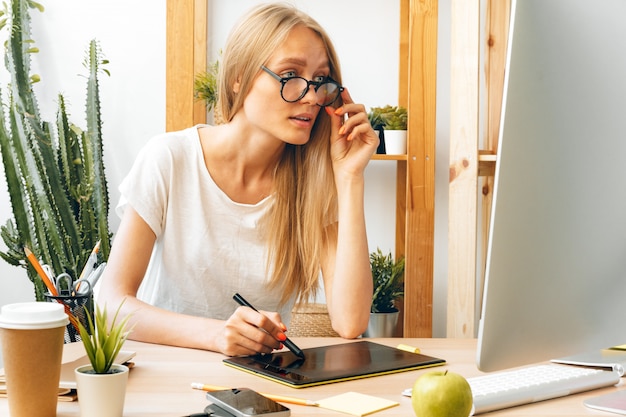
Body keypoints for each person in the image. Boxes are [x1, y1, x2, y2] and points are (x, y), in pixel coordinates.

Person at [98, 3, 379, 356]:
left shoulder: (313, 184)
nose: (310, 95)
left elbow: (350, 322)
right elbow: (111, 305)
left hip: (259, 386)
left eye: (321, 80)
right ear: (238, 77)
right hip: (167, 374)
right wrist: (216, 335)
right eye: (290, 74)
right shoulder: (171, 158)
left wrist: (351, 177)